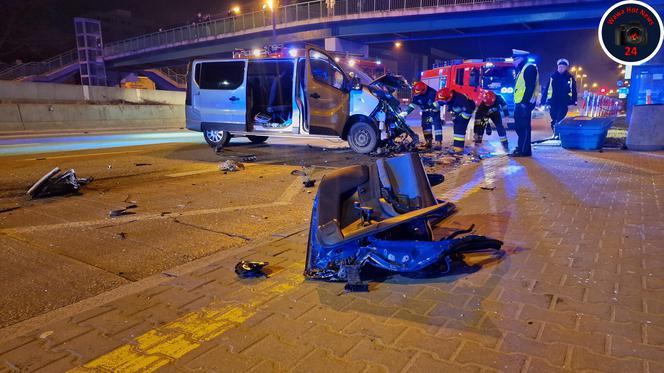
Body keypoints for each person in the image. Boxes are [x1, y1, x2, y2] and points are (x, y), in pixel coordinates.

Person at [511, 49, 540, 157]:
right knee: (519, 127)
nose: (513, 61)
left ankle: (524, 151)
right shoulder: (523, 69)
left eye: (514, 59)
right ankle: (522, 147)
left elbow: (530, 87)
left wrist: (524, 102)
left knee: (523, 127)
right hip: (520, 103)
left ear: (520, 58)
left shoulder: (529, 68)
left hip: (524, 103)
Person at [400, 82, 442, 149]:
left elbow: (438, 103)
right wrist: (406, 112)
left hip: (434, 111)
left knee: (437, 126)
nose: (417, 94)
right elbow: (413, 104)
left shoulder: (432, 93)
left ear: (423, 90)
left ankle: (438, 143)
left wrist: (432, 113)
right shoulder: (417, 92)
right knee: (425, 126)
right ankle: (428, 141)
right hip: (425, 111)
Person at [541, 58, 577, 138]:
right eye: (559, 67)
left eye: (563, 67)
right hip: (553, 101)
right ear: (557, 67)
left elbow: (573, 90)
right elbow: (547, 89)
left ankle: (558, 134)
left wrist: (573, 102)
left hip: (564, 102)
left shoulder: (570, 78)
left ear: (566, 68)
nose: (561, 68)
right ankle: (555, 132)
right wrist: (543, 101)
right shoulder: (553, 77)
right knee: (553, 117)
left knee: (560, 118)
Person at [435, 87, 476, 154]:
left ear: (448, 98)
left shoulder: (459, 99)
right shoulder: (448, 97)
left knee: (460, 129)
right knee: (457, 127)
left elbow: (468, 112)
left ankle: (458, 148)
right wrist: (432, 106)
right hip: (459, 113)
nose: (443, 102)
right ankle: (457, 146)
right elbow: (441, 102)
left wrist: (460, 119)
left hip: (465, 113)